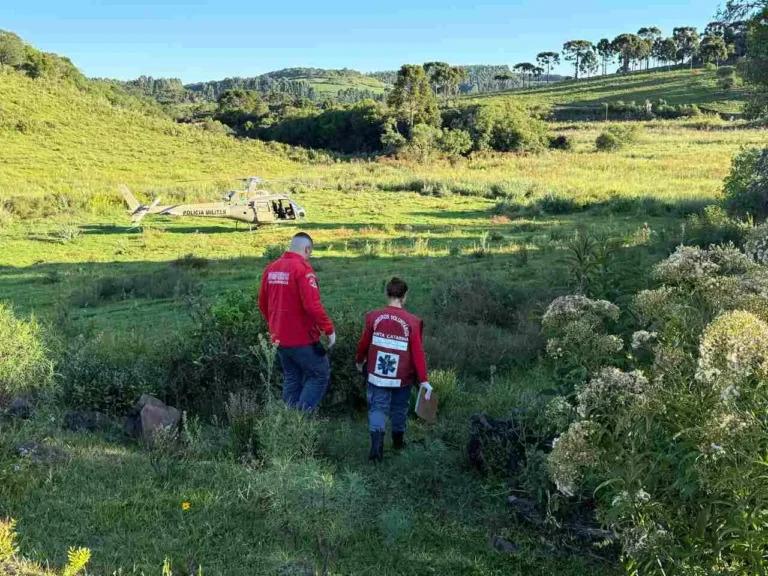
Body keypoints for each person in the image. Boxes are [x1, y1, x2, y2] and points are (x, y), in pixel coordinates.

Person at [355, 277, 431, 462]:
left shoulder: (373, 316)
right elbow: (418, 353)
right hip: (402, 376)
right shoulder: (413, 322)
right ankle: (398, 443)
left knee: (377, 408)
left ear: (387, 294)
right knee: (399, 408)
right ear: (404, 296)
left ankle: (376, 451)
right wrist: (423, 379)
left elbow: (364, 343)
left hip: (377, 374)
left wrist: (359, 360)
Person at [258, 232, 335, 411]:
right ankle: (301, 420)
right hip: (302, 339)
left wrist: (276, 324)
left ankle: (289, 421)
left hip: (279, 338)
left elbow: (262, 303)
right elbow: (312, 306)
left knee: (292, 376)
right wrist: (329, 330)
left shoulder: (271, 268)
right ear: (307, 249)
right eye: (310, 252)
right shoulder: (302, 269)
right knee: (319, 374)